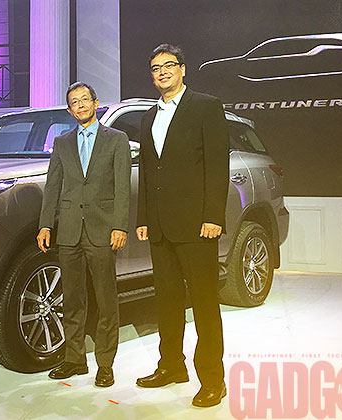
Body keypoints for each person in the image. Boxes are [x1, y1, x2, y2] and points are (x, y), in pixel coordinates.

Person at [134, 43, 230, 407]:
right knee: (167, 301)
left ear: (183, 69)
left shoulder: (205, 106)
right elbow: (147, 170)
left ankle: (213, 380)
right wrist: (144, 218)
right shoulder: (148, 117)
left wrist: (213, 217)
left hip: (196, 225)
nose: (162, 72)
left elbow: (217, 165)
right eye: (155, 67)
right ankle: (171, 365)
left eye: (169, 65)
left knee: (205, 303)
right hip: (159, 226)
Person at [37, 82, 131, 388]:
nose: (80, 106)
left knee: (106, 299)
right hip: (69, 232)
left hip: (103, 229)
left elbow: (122, 188)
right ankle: (74, 359)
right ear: (69, 110)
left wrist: (120, 225)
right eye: (74, 102)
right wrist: (45, 224)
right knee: (73, 299)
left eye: (84, 100)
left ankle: (105, 363)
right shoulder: (63, 143)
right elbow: (53, 186)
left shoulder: (116, 140)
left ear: (95, 103)